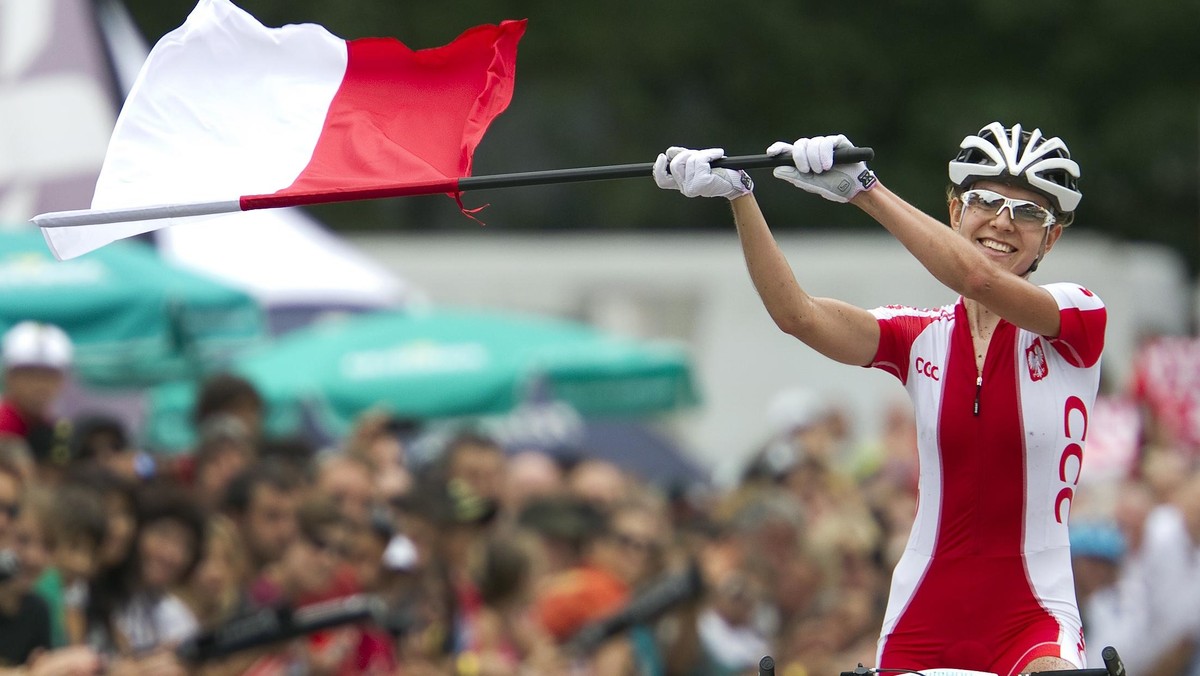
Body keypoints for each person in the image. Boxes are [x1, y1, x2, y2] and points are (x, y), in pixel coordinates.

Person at [653, 121, 1106, 675]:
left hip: (1033, 614)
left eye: (1029, 212)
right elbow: (797, 315)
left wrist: (864, 189)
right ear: (954, 211)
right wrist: (741, 196)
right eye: (985, 201)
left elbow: (977, 280)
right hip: (925, 607)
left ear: (1051, 237)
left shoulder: (1078, 314)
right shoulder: (921, 336)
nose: (1003, 222)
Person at [0, 322, 74, 471]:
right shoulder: (4, 425)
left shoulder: (57, 430)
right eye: (29, 374)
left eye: (49, 375)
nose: (40, 385)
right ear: (9, 377)